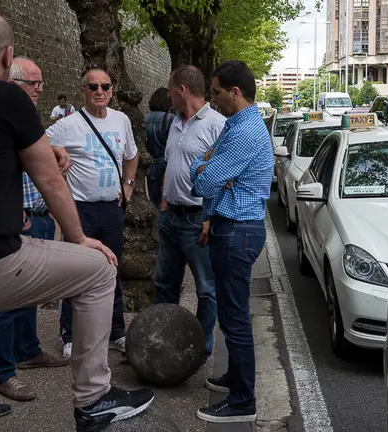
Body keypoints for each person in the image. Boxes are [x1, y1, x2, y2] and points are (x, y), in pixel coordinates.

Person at [0, 11, 153, 431]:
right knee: (99, 270)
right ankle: (94, 398)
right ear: (7, 56)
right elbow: (50, 180)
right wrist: (77, 237)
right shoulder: (8, 98)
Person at [0, 57, 67, 405]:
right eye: (34, 83)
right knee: (5, 298)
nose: (40, 89)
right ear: (14, 84)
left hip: (39, 217)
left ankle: (27, 351)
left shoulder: (25, 119)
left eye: (41, 83)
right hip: (20, 219)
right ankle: (2, 371)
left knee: (32, 290)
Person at [190, 60, 274, 423]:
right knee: (230, 312)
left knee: (235, 318)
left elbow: (203, 183)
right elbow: (206, 172)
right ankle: (235, 380)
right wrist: (207, 166)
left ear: (235, 93)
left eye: (217, 92)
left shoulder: (244, 132)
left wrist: (207, 168)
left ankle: (243, 399)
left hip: (238, 231)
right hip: (230, 226)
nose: (213, 100)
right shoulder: (236, 125)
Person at [47, 68, 138, 361]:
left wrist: (128, 183)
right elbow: (36, 147)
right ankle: (69, 335)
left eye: (105, 86)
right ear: (83, 91)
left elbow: (132, 155)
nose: (99, 91)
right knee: (75, 271)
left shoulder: (121, 120)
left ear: (112, 91)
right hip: (80, 209)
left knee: (112, 267)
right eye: (93, 86)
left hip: (112, 207)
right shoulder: (67, 125)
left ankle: (116, 331)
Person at [153, 65, 225, 362]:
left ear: (182, 89)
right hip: (171, 217)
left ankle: (201, 348)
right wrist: (164, 201)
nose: (168, 95)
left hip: (197, 219)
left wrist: (211, 216)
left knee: (206, 289)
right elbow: (172, 164)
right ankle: (162, 344)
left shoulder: (216, 124)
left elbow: (223, 174)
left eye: (171, 90)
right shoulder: (175, 122)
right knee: (164, 284)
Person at [144, 88, 174, 208]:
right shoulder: (170, 119)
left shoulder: (144, 119)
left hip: (151, 165)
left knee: (153, 199)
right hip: (165, 164)